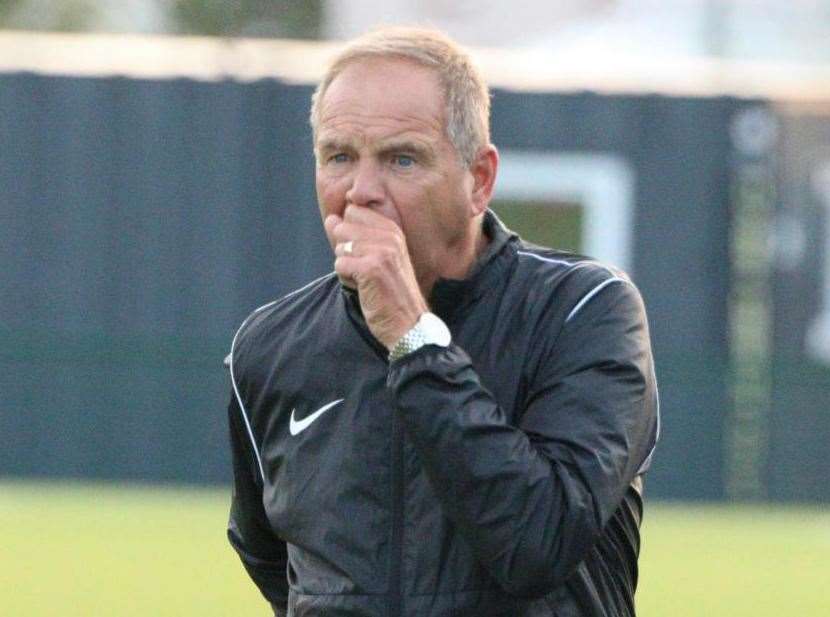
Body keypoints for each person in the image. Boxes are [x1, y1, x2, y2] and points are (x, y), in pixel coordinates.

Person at [226, 26, 659, 617]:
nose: (362, 191)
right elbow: (274, 560)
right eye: (339, 157)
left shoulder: (583, 310)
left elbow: (538, 544)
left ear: (479, 179)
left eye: (402, 158)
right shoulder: (270, 347)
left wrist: (413, 337)